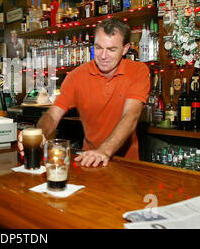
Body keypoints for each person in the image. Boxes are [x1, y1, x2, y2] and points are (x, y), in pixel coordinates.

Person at [18, 18, 150, 168]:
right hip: (89, 160)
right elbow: (53, 115)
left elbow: (131, 115)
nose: (103, 56)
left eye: (111, 49)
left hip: (127, 163)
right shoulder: (76, 76)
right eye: (98, 48)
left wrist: (104, 151)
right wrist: (39, 133)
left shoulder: (138, 71)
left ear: (125, 49)